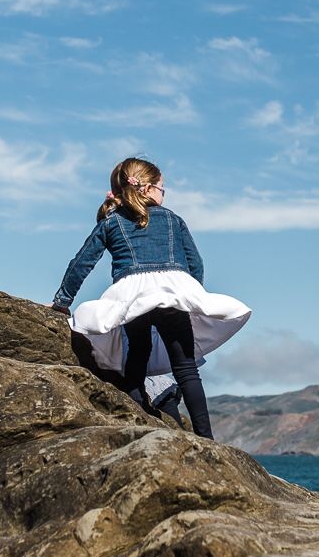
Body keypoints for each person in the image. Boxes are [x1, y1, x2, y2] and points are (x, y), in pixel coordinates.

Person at [51, 157, 250, 439]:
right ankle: (207, 439)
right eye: (162, 188)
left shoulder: (110, 222)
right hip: (173, 293)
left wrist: (62, 301)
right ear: (146, 189)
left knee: (138, 353)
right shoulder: (172, 219)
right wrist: (191, 297)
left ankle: (134, 417)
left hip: (132, 296)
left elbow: (81, 263)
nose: (163, 194)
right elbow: (196, 264)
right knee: (186, 369)